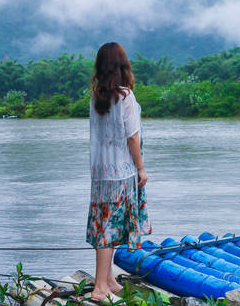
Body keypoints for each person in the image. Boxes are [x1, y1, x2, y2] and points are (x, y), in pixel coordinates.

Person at [87, 42, 151, 300]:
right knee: (110, 230)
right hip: (122, 173)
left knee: (104, 225)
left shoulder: (96, 96)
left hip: (100, 173)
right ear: (122, 67)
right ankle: (100, 288)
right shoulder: (125, 96)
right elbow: (132, 138)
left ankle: (108, 280)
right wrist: (141, 168)